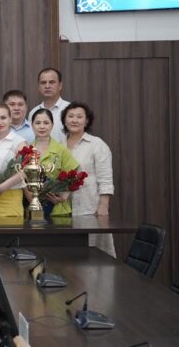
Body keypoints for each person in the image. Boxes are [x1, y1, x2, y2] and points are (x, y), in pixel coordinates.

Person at [63, 102, 116, 257]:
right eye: (70, 116)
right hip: (63, 209)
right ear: (64, 120)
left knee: (94, 251)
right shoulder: (59, 145)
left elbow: (105, 177)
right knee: (70, 254)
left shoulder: (97, 144)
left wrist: (103, 205)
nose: (74, 120)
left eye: (79, 117)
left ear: (86, 121)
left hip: (89, 207)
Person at [28, 108, 79, 217]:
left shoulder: (61, 149)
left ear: (52, 125)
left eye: (46, 123)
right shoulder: (27, 150)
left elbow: (74, 175)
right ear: (32, 125)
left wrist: (64, 196)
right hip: (33, 209)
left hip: (58, 209)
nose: (42, 126)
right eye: (38, 123)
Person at [29, 68, 70, 142]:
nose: (47, 86)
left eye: (52, 82)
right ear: (39, 87)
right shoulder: (33, 112)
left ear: (60, 85)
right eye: (43, 83)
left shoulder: (70, 110)